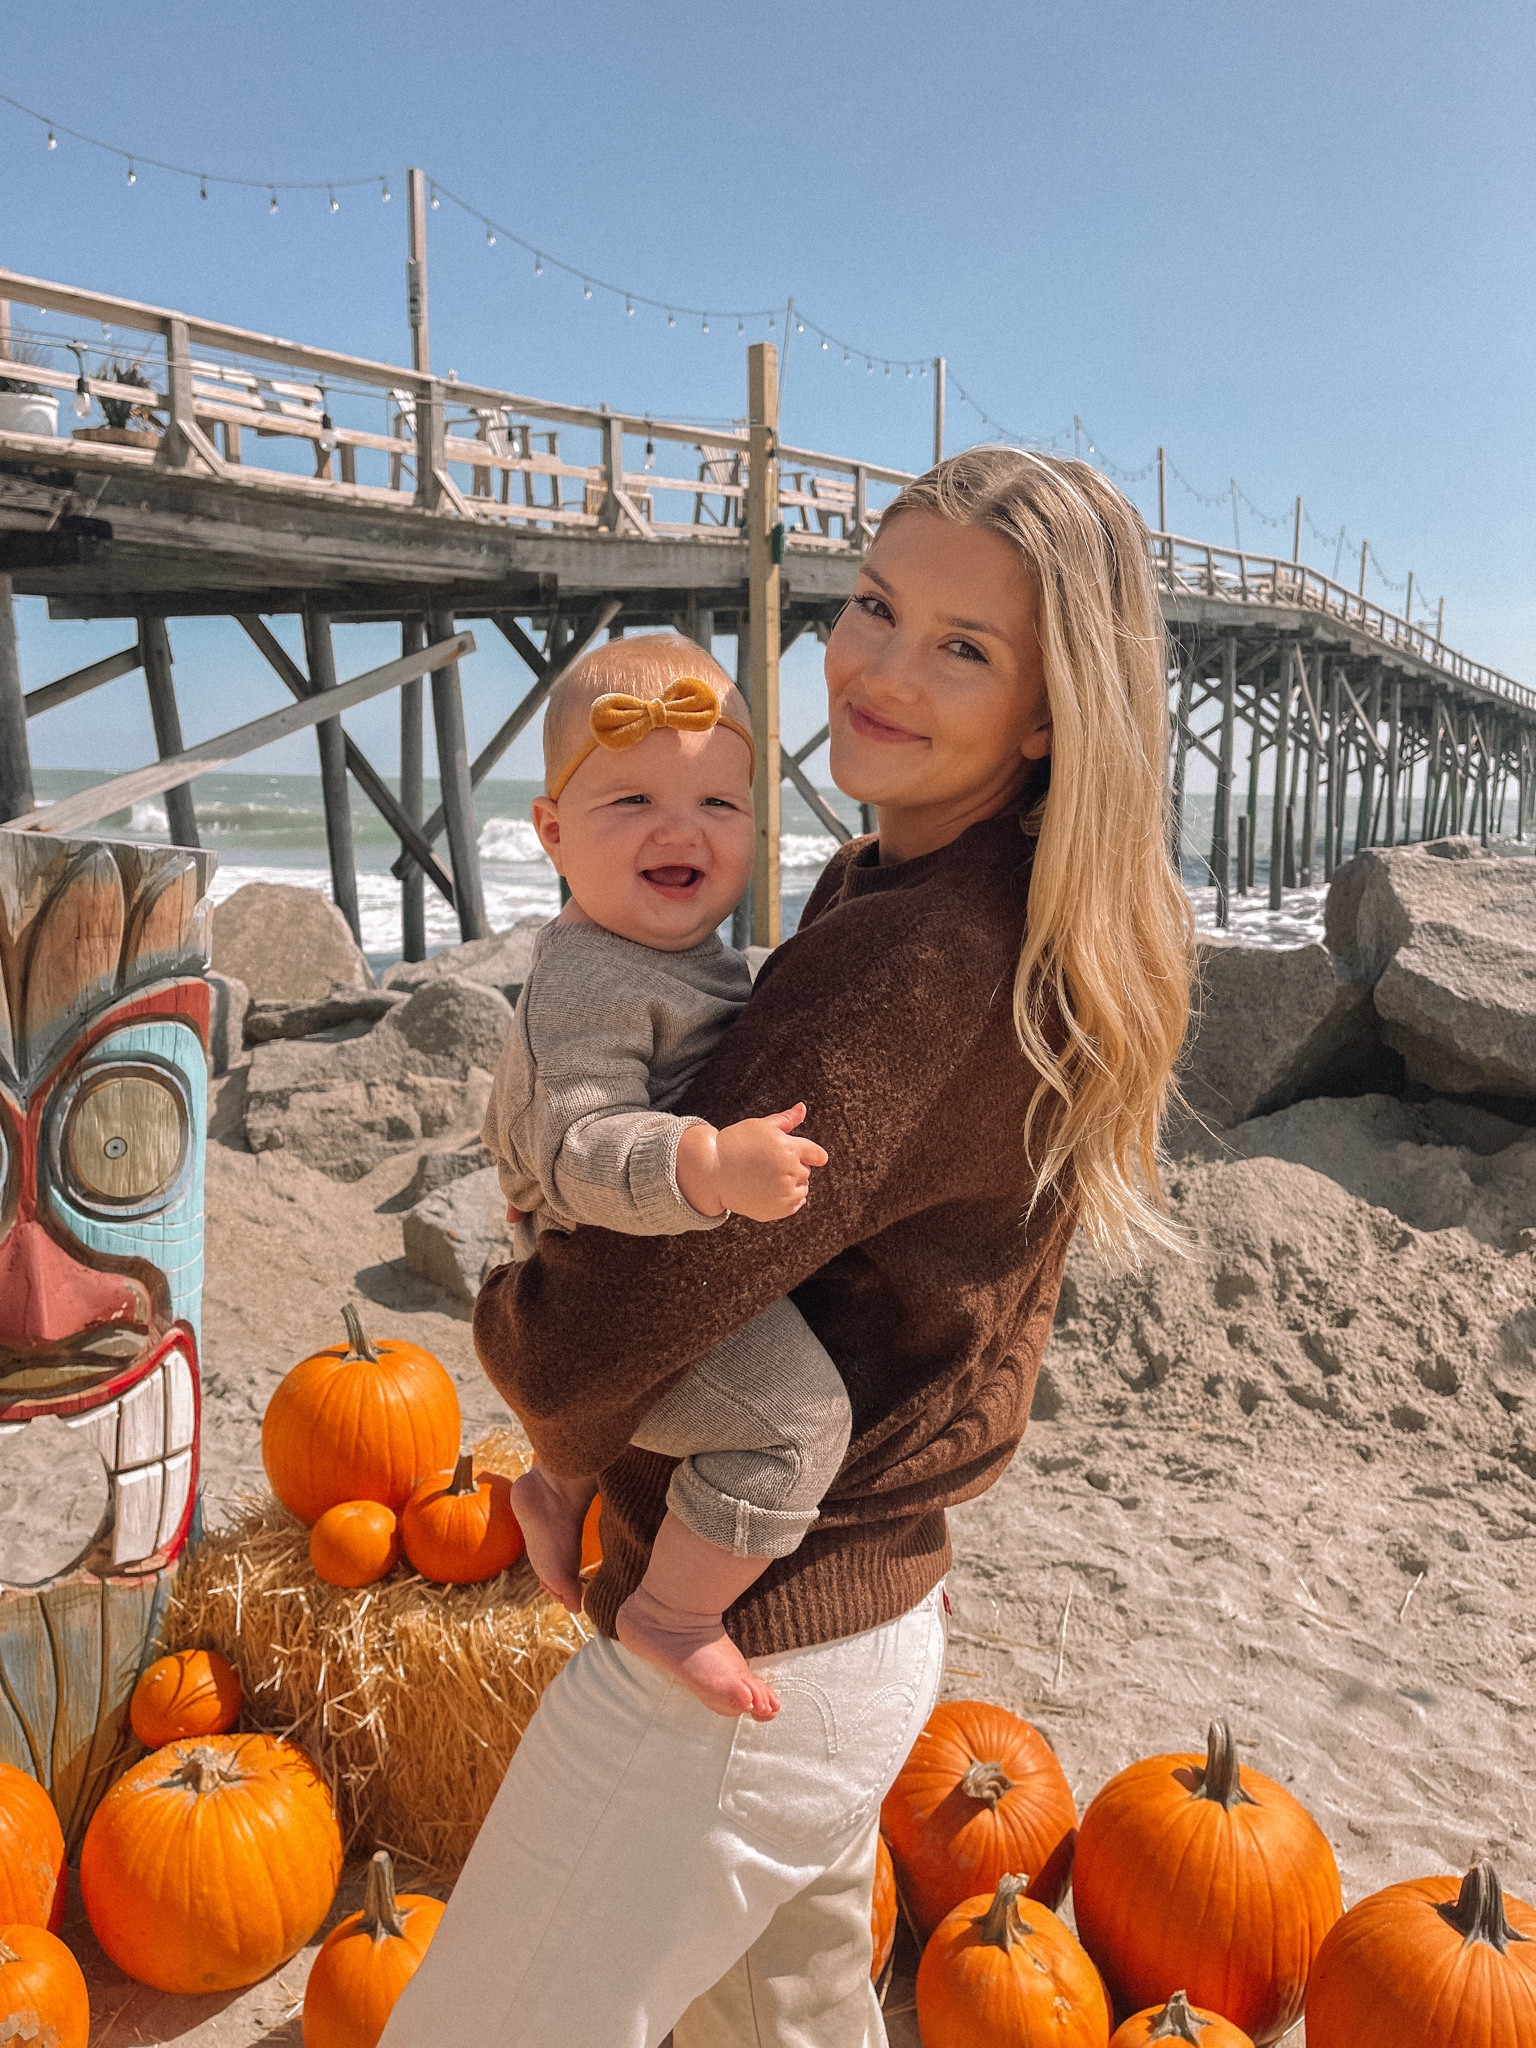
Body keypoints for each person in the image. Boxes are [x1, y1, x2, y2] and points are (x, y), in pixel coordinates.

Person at [381, 447, 1194, 2048]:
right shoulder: (932, 882)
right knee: (791, 2024)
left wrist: (527, 1379)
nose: (883, 669)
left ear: (1050, 711)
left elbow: (622, 1308)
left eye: (963, 645)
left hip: (753, 1646)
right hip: (852, 1621)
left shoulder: (915, 949)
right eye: (876, 608)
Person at [483, 632, 852, 1720]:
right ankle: (675, 1613)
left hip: (638, 1262)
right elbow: (581, 1147)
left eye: (719, 806)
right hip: (605, 1253)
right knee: (794, 1420)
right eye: (631, 800)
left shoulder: (668, 948)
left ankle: (554, 1487)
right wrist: (704, 1162)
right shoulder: (590, 976)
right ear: (551, 832)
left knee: (637, 1385)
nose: (680, 829)